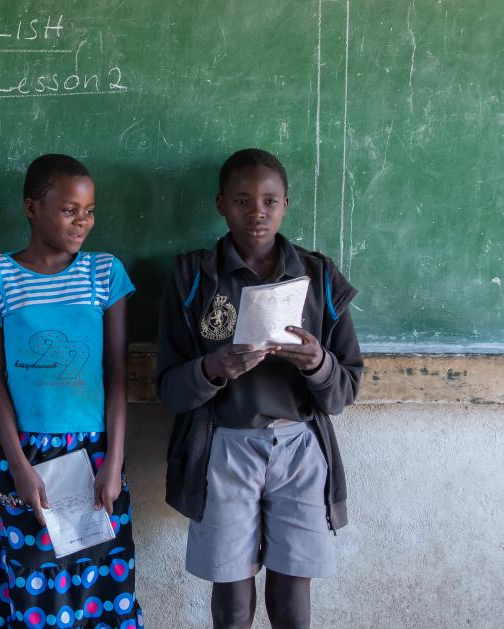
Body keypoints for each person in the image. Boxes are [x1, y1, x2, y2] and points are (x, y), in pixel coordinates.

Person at [156, 148, 363, 628]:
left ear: (286, 204)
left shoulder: (319, 276)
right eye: (242, 201)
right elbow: (169, 390)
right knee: (231, 600)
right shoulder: (194, 277)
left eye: (270, 201)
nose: (257, 213)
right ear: (220, 205)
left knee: (292, 599)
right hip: (223, 446)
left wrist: (318, 363)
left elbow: (344, 389)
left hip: (300, 447)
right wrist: (213, 367)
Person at [0, 154, 144, 629]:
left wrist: (113, 465)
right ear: (31, 207)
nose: (81, 221)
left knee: (100, 580)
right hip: (24, 453)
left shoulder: (104, 273)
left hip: (95, 453)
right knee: (30, 581)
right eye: (69, 210)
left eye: (88, 210)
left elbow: (116, 371)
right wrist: (20, 467)